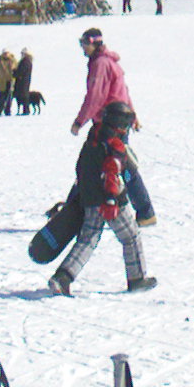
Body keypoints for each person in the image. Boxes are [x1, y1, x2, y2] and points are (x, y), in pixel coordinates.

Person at [48, 101, 154, 296]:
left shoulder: (93, 138)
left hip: (90, 198)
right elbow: (112, 174)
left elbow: (81, 168)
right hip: (110, 201)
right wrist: (112, 200)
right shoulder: (114, 146)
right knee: (131, 237)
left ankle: (62, 277)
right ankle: (137, 278)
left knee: (88, 239)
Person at [70, 28, 152, 223]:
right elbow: (124, 91)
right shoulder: (108, 62)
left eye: (84, 44)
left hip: (110, 122)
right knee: (114, 163)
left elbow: (96, 96)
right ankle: (145, 211)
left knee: (96, 163)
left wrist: (79, 121)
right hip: (118, 119)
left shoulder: (100, 64)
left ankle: (74, 209)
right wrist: (132, 115)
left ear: (93, 43)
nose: (82, 48)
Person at [0, 49, 18, 117]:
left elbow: (17, 70)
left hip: (10, 81)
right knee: (1, 97)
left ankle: (7, 111)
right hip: (1, 82)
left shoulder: (13, 61)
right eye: (5, 53)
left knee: (9, 97)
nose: (6, 55)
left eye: (7, 53)